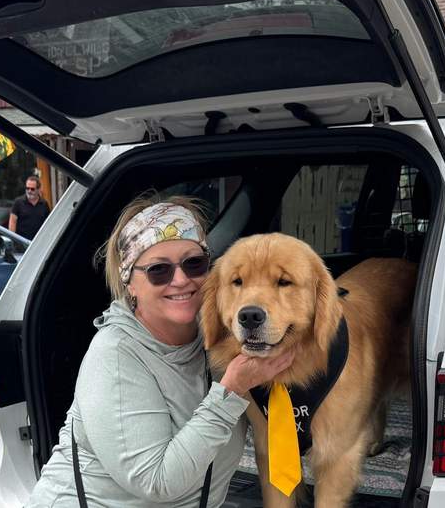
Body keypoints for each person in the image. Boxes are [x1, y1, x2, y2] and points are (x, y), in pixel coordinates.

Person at [26, 195, 294, 507]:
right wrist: (231, 391)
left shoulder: (220, 337)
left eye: (194, 264)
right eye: (158, 270)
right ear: (130, 282)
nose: (180, 280)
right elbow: (156, 481)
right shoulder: (115, 356)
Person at [9, 175, 50, 240]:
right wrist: (13, 240)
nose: (29, 191)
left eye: (32, 189)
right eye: (27, 188)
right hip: (21, 242)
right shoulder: (18, 202)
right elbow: (12, 222)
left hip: (39, 242)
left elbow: (48, 223)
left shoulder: (44, 204)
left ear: (38, 189)